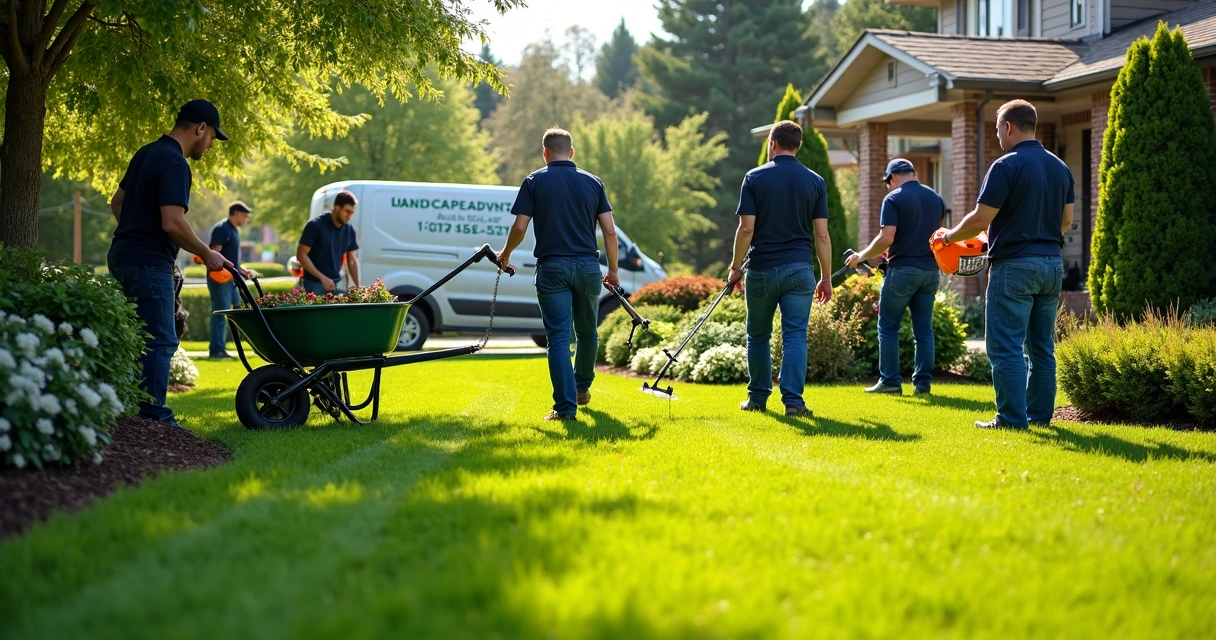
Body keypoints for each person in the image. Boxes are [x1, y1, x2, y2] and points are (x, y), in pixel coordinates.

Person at [935, 99, 1074, 430]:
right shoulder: (1061, 167)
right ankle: (1038, 416)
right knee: (1042, 346)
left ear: (1008, 127)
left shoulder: (1005, 165)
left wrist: (949, 236)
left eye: (998, 128)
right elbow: (1065, 222)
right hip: (1052, 264)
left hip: (1014, 266)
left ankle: (1011, 419)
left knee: (1006, 344)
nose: (998, 135)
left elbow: (981, 218)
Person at [107, 99, 231, 430]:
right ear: (200, 129)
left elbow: (117, 202)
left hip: (123, 255)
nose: (210, 146)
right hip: (147, 262)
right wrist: (207, 253)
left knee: (137, 336)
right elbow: (173, 223)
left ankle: (132, 409)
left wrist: (137, 232)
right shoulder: (175, 163)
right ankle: (152, 417)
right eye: (212, 138)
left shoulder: (146, 153)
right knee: (160, 339)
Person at [496, 128, 619, 421]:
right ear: (572, 152)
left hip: (552, 268)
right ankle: (581, 389)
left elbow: (520, 228)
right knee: (588, 332)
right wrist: (613, 270)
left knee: (559, 339)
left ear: (545, 153)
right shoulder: (593, 183)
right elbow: (610, 231)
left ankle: (565, 408)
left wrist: (506, 254)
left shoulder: (534, 181)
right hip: (589, 268)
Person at [730, 120, 833, 417]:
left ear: (772, 143)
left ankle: (758, 398)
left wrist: (735, 267)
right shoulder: (815, 181)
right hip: (800, 270)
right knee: (795, 335)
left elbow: (746, 229)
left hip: (762, 269)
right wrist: (826, 277)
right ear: (797, 146)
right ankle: (793, 402)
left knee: (758, 335)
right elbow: (822, 235)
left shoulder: (754, 177)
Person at [846, 158, 946, 395]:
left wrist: (860, 256)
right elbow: (938, 236)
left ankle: (890, 381)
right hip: (931, 271)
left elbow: (886, 238)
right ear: (913, 173)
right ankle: (923, 385)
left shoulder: (893, 198)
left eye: (887, 182)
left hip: (902, 272)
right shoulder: (936, 198)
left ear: (892, 178)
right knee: (923, 330)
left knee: (888, 326)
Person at [206, 201, 252, 358]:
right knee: (220, 314)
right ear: (236, 212)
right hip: (220, 279)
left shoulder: (233, 230)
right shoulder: (222, 229)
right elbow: (213, 254)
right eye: (245, 216)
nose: (246, 219)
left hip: (231, 280)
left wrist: (242, 270)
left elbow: (230, 259)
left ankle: (227, 346)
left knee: (236, 311)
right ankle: (216, 350)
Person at [297, 190, 360, 295]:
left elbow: (352, 260)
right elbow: (301, 255)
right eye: (347, 211)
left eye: (352, 213)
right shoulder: (315, 225)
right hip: (313, 284)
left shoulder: (349, 230)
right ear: (336, 207)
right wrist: (322, 278)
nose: (349, 216)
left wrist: (358, 287)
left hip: (336, 283)